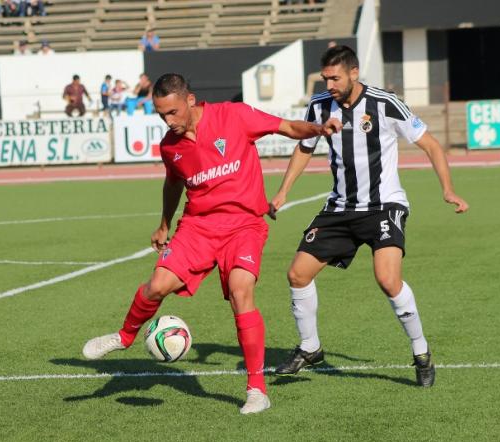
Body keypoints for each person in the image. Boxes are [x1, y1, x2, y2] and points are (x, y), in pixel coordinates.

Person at [82, 73, 342, 414]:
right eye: (161, 115)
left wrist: (319, 130)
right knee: (157, 285)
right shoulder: (170, 147)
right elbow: (173, 184)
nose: (168, 121)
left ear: (190, 100)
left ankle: (256, 390)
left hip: (244, 225)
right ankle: (125, 335)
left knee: (240, 290)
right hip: (198, 227)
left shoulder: (233, 116)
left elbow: (288, 127)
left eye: (172, 112)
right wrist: (163, 224)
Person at [269, 45, 469, 387]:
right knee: (297, 274)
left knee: (387, 279)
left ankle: (421, 352)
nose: (329, 84)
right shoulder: (319, 106)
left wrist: (447, 190)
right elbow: (304, 148)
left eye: (335, 77)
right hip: (340, 208)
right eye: (325, 78)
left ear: (353, 73)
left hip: (384, 205)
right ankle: (310, 347)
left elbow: (432, 145)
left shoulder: (385, 103)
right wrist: (284, 191)